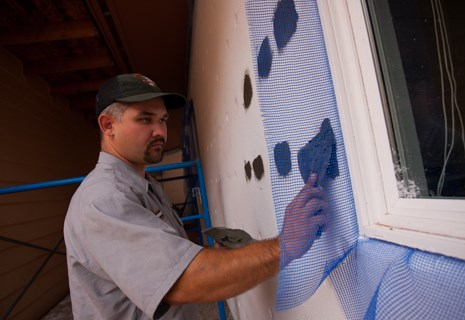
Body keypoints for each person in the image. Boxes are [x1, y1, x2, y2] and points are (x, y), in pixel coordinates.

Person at [63, 73, 328, 319]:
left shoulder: (143, 183)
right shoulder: (103, 199)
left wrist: (215, 256)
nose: (160, 131)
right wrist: (283, 246)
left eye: (163, 120)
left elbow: (166, 262)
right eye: (145, 119)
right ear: (108, 125)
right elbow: (182, 283)